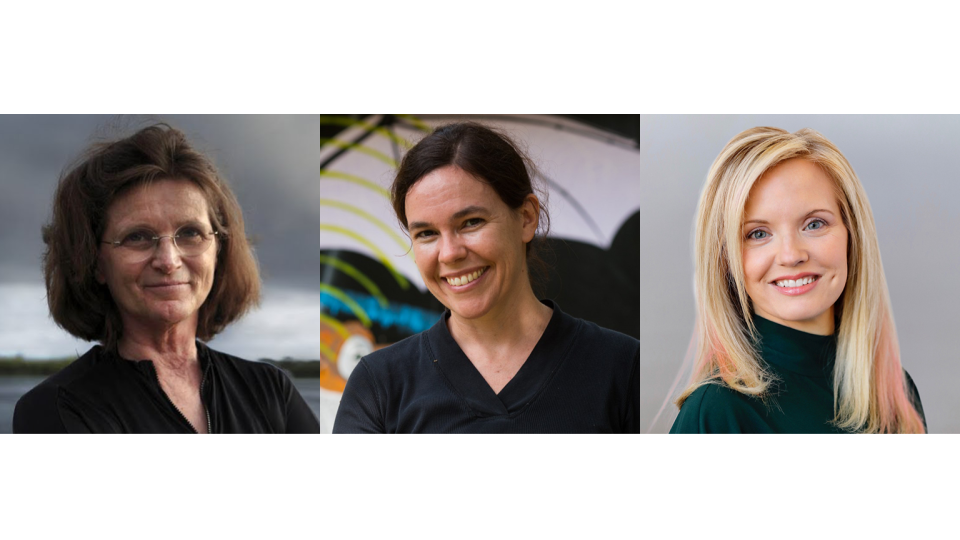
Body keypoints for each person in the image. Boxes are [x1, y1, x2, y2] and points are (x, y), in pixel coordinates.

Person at [333, 122, 639, 433]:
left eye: (470, 222)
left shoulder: (622, 369)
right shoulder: (379, 385)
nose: (449, 253)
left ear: (526, 217)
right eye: (426, 233)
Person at [13, 123, 320, 433]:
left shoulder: (271, 391)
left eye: (190, 233)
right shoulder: (57, 408)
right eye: (137, 237)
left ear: (219, 250)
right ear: (95, 263)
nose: (168, 260)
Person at [670, 127, 926, 434]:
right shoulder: (717, 410)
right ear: (726, 259)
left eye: (814, 224)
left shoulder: (895, 393)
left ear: (852, 236)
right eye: (758, 234)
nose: (791, 255)